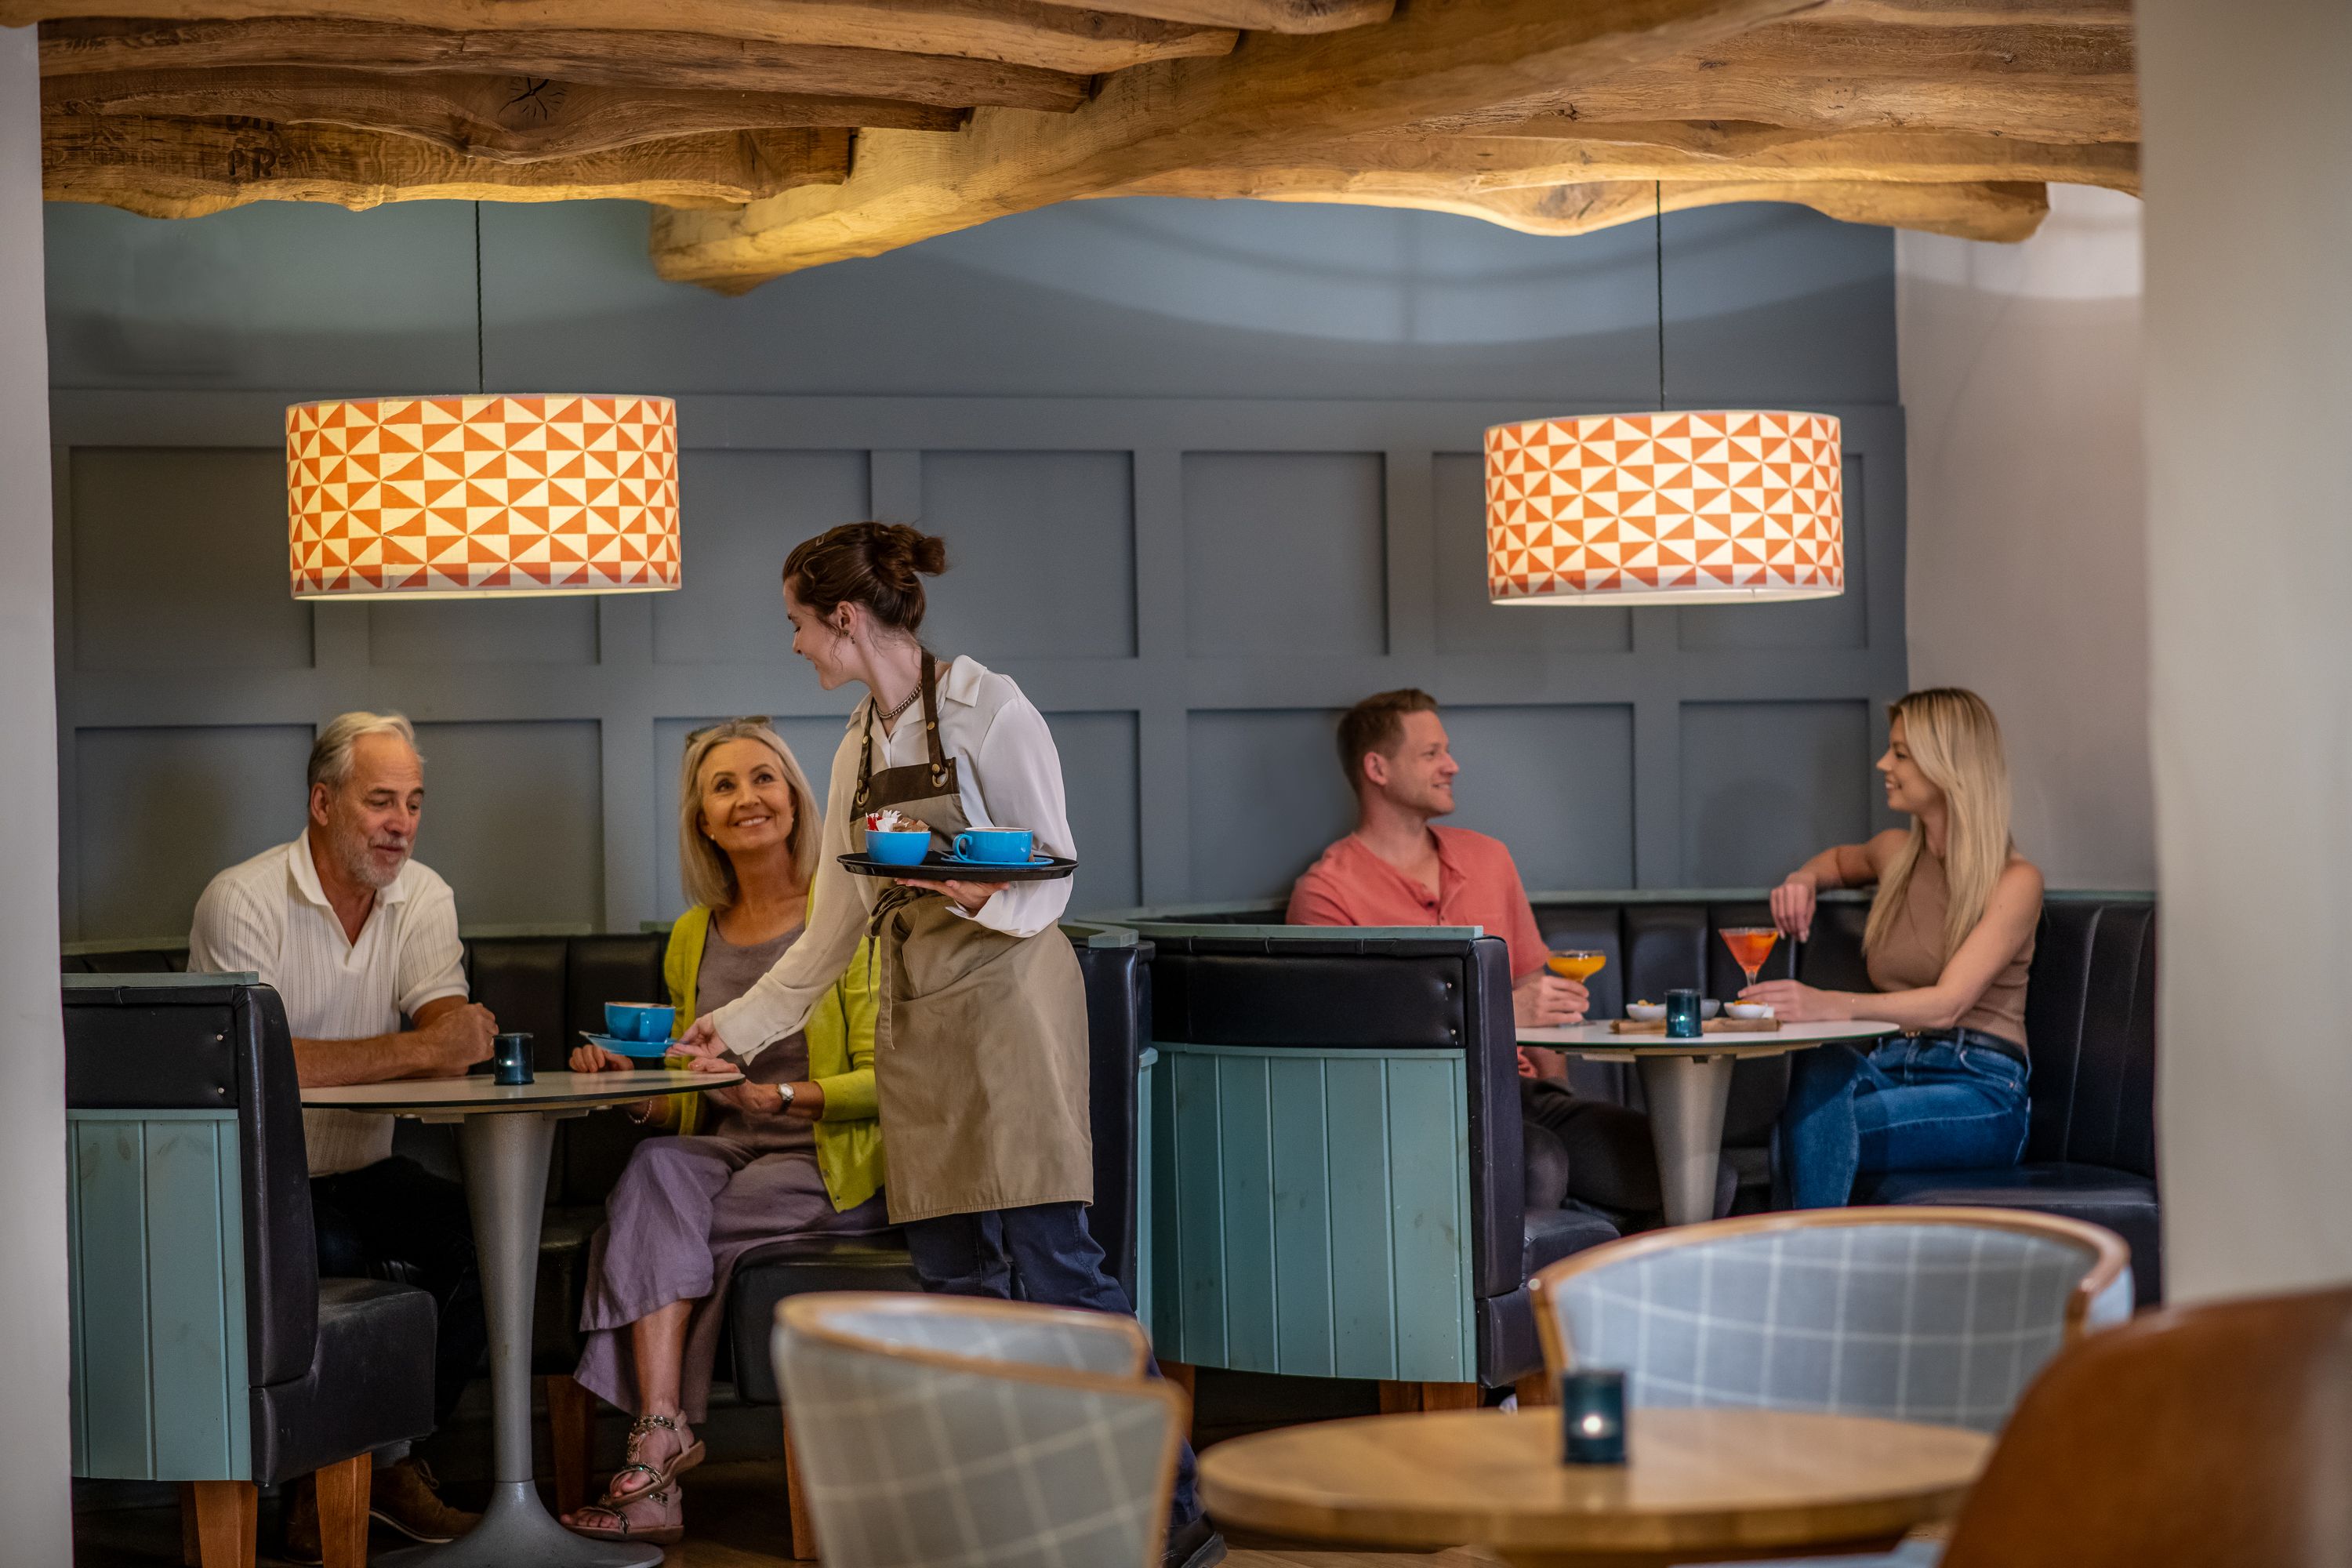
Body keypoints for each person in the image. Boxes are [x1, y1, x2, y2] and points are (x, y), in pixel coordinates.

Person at [673, 522, 1225, 1568]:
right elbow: (833, 927)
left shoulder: (990, 707)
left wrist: (971, 884)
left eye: (798, 623)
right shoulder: (855, 744)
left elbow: (1053, 869)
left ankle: (1172, 1511)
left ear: (844, 618)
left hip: (1011, 1000)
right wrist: (734, 1030)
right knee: (956, 1282)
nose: (795, 645)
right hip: (916, 1017)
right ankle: (1010, 1523)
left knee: (1057, 1269)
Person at [559, 719, 891, 1545]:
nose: (748, 797)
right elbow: (695, 1095)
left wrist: (779, 1096)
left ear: (794, 797)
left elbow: (889, 1082)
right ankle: (665, 1427)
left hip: (829, 1156)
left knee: (643, 1225)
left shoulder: (845, 909)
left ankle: (653, 1470)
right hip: (733, 1144)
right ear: (703, 819)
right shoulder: (691, 933)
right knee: (652, 1169)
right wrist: (637, 1088)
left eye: (765, 777)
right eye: (724, 785)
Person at [187, 712, 489, 1559]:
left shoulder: (423, 894)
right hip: (251, 1178)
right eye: (380, 800)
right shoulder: (241, 898)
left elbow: (451, 1028)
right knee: (336, 1247)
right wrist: (426, 1046)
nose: (401, 822)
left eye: (415, 803)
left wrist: (439, 1039)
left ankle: (388, 1467)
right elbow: (260, 1061)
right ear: (322, 802)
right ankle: (327, 1483)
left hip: (364, 1161)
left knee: (484, 1244)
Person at [1287, 689, 1724, 1225]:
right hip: (1411, 1108)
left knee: (1700, 1175)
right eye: (1431, 754)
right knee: (1540, 1163)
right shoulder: (1326, 893)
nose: (1452, 765)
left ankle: (1621, 1303)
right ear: (1377, 767)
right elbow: (1340, 1036)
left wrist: (1558, 1090)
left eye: (1446, 751)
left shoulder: (1488, 859)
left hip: (1522, 1094)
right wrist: (1496, 1014)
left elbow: (1534, 993)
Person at [1743, 688, 2044, 1209]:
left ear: (1947, 765)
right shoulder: (1896, 853)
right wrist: (1802, 879)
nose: (1884, 763)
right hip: (1892, 1067)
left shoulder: (2015, 881)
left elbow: (1947, 1004)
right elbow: (1838, 861)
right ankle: (1814, 1262)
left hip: (1981, 1089)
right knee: (1822, 1067)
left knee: (1810, 1129)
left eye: (1901, 753)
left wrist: (1828, 1003)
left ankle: (1807, 1264)